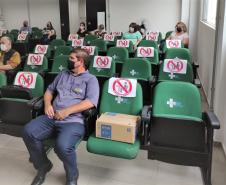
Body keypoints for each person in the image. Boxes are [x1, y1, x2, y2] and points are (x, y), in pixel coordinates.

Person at [23, 48, 99, 185]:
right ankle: (43, 166)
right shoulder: (63, 74)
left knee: (62, 147)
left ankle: (72, 176)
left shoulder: (91, 79)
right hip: (52, 117)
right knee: (28, 131)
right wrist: (47, 104)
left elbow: (90, 102)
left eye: (71, 58)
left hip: (73, 121)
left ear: (80, 62)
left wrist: (67, 111)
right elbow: (49, 91)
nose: (68, 60)